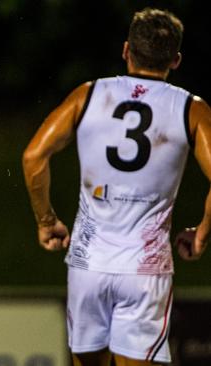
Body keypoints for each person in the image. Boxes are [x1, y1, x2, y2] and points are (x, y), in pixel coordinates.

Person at [22, 8, 211, 366]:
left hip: (88, 263)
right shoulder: (190, 108)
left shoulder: (89, 95)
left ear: (126, 50)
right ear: (176, 59)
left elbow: (34, 156)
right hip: (145, 269)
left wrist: (46, 220)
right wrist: (201, 233)